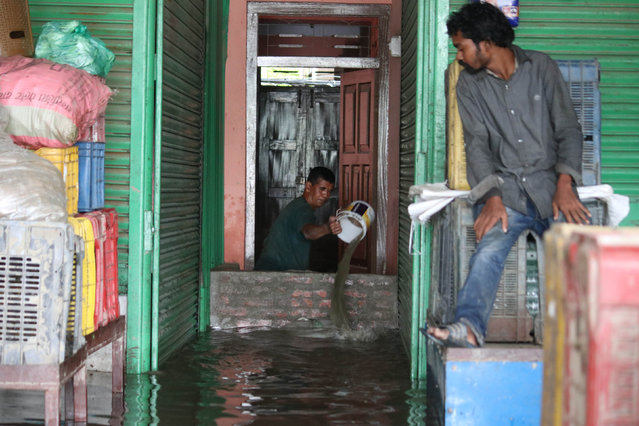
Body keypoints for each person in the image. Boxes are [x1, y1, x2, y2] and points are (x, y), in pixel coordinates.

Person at [426, 2, 591, 347]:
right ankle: (469, 328)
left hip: (552, 188)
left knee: (582, 253)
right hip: (508, 192)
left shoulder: (541, 67)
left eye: (461, 47)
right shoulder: (468, 86)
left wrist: (566, 185)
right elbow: (478, 145)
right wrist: (493, 198)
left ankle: (589, 336)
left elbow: (569, 130)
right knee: (487, 251)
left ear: (485, 42)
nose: (459, 56)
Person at [255, 166, 342, 271]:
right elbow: (308, 233)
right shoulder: (302, 208)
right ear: (309, 186)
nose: (326, 195)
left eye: (329, 191)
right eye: (322, 189)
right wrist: (328, 228)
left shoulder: (299, 205)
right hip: (273, 273)